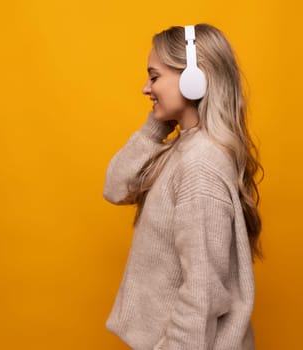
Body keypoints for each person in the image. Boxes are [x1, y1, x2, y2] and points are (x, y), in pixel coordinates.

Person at [103, 23, 263, 350]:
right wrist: (157, 125)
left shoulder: (200, 163)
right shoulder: (185, 148)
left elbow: (201, 293)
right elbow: (115, 187)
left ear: (194, 78)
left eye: (155, 76)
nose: (146, 88)